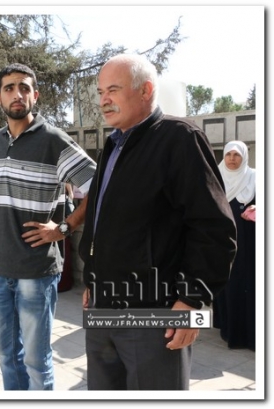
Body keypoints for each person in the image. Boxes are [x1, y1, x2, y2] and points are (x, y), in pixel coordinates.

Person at [78, 53, 237, 390]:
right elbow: (100, 218)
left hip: (155, 314)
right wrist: (92, 275)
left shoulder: (180, 138)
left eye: (113, 90)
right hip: (102, 309)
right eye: (101, 92)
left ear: (146, 90)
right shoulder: (112, 146)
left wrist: (192, 300)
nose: (103, 100)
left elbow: (214, 228)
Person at [0, 63, 96, 390]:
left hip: (36, 269)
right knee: (6, 355)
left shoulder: (53, 140)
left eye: (24, 88)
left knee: (35, 360)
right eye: (9, 88)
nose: (17, 94)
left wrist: (63, 228)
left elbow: (100, 187)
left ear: (35, 95)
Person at [213, 140, 256, 350]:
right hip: (222, 241)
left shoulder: (255, 177)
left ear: (244, 156)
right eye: (228, 154)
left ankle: (249, 332)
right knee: (227, 282)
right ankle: (229, 327)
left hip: (249, 242)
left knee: (247, 283)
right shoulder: (216, 176)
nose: (232, 159)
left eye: (237, 155)